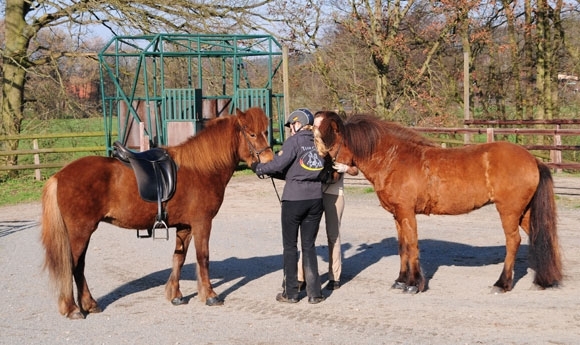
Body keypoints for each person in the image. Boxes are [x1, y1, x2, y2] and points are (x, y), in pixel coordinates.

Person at [251, 108, 326, 304]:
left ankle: (291, 293)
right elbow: (305, 168)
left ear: (298, 123)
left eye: (291, 125)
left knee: (290, 247)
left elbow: (277, 164)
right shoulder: (318, 142)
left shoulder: (294, 141)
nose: (290, 129)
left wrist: (258, 168)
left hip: (294, 200)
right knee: (309, 246)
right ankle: (315, 293)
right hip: (316, 199)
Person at [297, 111, 359, 291]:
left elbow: (356, 170)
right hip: (315, 192)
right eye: (314, 124)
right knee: (309, 236)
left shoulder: (339, 144)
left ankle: (334, 276)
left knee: (333, 235)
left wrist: (346, 168)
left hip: (334, 193)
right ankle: (301, 276)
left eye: (319, 124)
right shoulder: (311, 144)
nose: (316, 128)